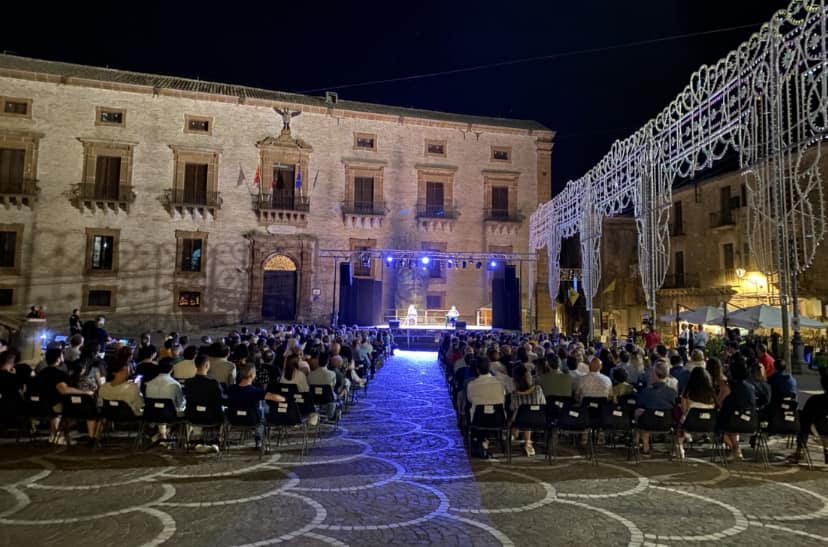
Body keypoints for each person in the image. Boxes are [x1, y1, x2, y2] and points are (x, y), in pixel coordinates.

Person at [35, 348, 96, 445]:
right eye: (62, 356)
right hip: (53, 404)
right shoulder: (59, 374)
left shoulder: (41, 373)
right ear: (58, 359)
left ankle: (54, 434)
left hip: (39, 404)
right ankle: (57, 435)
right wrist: (84, 392)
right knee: (72, 410)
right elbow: (63, 389)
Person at [634, 361, 677, 455]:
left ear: (654, 375)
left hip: (648, 423)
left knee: (640, 412)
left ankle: (644, 445)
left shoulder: (646, 392)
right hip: (667, 422)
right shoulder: (672, 392)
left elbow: (640, 404)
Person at [718, 358, 757, 461]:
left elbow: (723, 404)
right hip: (751, 420)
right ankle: (736, 449)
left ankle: (735, 449)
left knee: (721, 426)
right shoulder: (751, 387)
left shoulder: (731, 388)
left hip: (734, 421)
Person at [676, 367, 717, 459]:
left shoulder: (688, 392)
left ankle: (680, 446)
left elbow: (684, 409)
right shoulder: (712, 392)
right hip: (710, 424)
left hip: (691, 423)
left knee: (680, 420)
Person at [510, 363, 546, 457]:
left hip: (520, 421)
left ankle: (516, 434)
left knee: (521, 416)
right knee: (528, 415)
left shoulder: (514, 395)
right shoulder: (538, 390)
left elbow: (513, 408)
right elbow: (543, 404)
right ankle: (528, 443)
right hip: (538, 419)